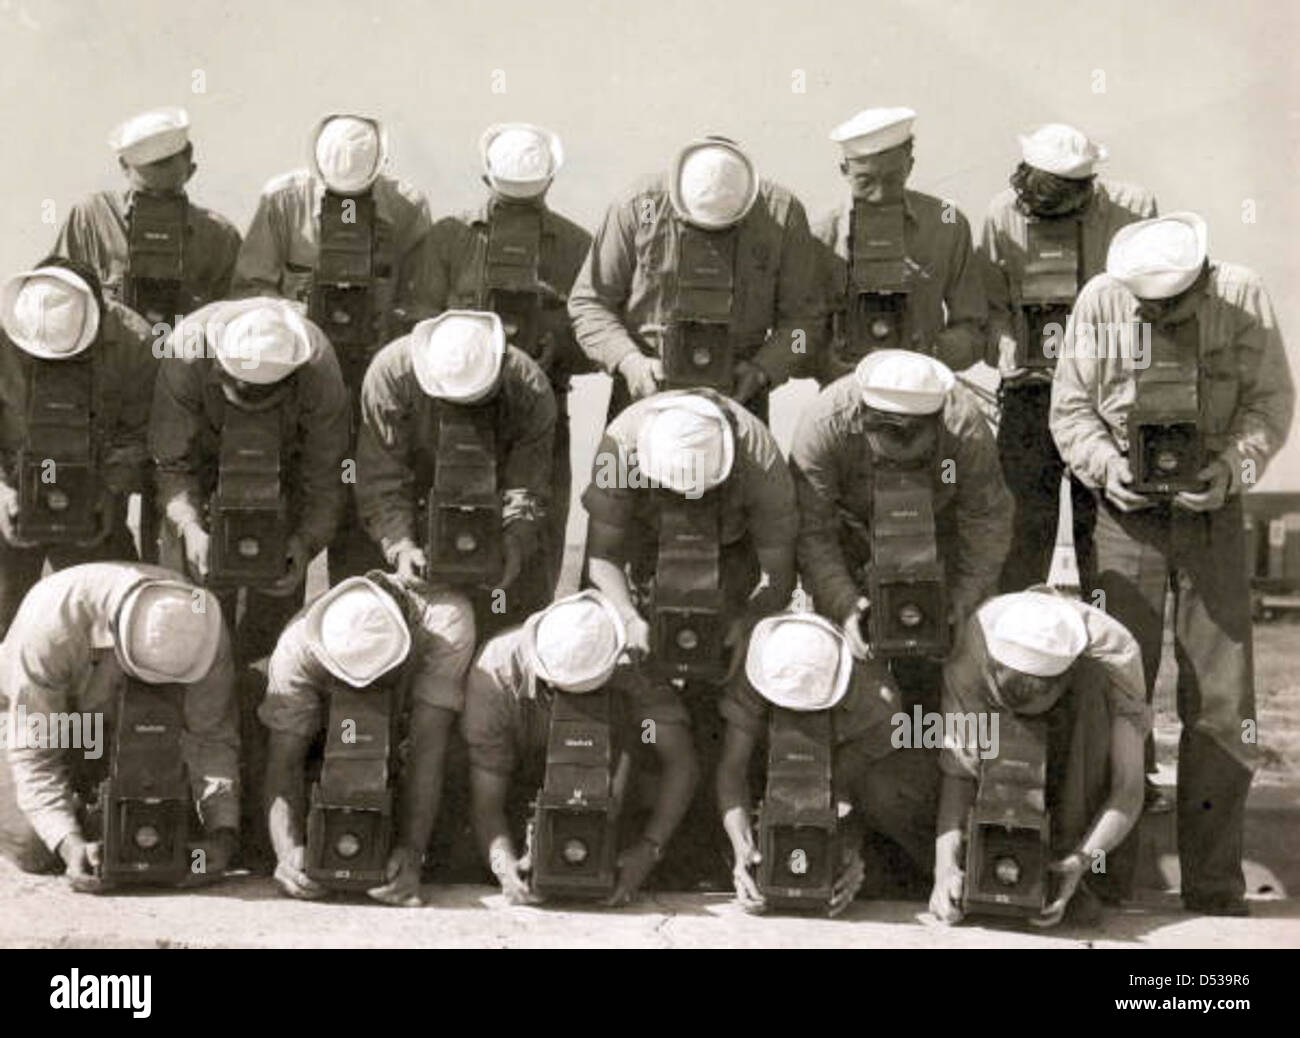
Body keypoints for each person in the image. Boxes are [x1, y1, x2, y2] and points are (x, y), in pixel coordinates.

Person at [1050, 211, 1294, 915]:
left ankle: (1215, 888)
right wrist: (1104, 467)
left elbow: (1271, 403)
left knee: (1221, 702)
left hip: (1211, 515)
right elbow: (1070, 410)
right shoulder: (1099, 301)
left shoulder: (1244, 298)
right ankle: (1102, 882)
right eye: (1146, 304)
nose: (1156, 312)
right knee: (1114, 693)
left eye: (1171, 303)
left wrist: (1228, 467)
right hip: (1122, 518)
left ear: (1203, 280)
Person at [232, 115, 437, 581]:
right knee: (283, 511)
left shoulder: (408, 208)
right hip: (290, 382)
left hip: (372, 387)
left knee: (362, 516)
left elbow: (421, 305)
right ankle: (270, 640)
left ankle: (357, 628)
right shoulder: (282, 201)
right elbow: (247, 293)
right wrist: (301, 318)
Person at [413, 123, 592, 592]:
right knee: (449, 533)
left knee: (535, 540)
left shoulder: (577, 248)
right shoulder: (448, 239)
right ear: (484, 178)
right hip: (452, 415)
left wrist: (561, 344)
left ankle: (517, 649)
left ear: (550, 184)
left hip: (540, 412)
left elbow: (597, 330)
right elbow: (416, 319)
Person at [980, 123, 1157, 596]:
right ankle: (1018, 632)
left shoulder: (1135, 211)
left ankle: (1103, 634)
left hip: (1106, 395)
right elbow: (992, 308)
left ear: (1087, 191)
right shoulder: (1000, 215)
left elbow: (1154, 305)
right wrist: (1006, 351)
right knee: (1023, 522)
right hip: (1029, 393)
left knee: (1104, 519)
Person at [0, 563, 238, 891]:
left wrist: (220, 837)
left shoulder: (199, 625)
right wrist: (70, 846)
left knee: (169, 838)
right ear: (116, 639)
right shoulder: (52, 623)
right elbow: (34, 754)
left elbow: (211, 738)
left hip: (131, 731)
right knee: (34, 845)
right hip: (38, 718)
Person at [790, 349, 1012, 699]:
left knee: (934, 654)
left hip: (937, 537)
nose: (899, 470)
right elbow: (813, 532)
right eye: (886, 459)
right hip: (853, 537)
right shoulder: (823, 428)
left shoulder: (967, 429)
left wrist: (963, 598)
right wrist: (844, 605)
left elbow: (985, 520)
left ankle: (922, 733)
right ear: (864, 421)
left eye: (916, 460)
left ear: (938, 425)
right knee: (855, 668)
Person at [929, 589, 1147, 927]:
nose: (1018, 715)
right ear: (992, 667)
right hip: (987, 701)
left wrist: (1082, 860)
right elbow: (958, 770)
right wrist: (944, 870)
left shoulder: (1115, 655)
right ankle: (985, 857)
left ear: (1060, 684)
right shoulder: (972, 649)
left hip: (1078, 717)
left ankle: (1061, 866)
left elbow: (1128, 789)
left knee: (1094, 688)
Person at [463, 590, 695, 906]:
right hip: (522, 782)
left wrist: (648, 849)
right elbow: (487, 794)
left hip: (616, 791)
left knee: (647, 739)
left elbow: (680, 764)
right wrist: (502, 861)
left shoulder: (635, 668)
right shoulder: (497, 669)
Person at [149, 296, 350, 663]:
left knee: (274, 597)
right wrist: (190, 528)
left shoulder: (319, 367)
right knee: (192, 609)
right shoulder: (185, 353)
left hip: (282, 474)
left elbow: (325, 475)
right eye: (243, 391)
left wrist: (304, 544)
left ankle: (258, 688)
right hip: (205, 462)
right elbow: (172, 464)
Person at [568, 135, 824, 421]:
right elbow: (588, 304)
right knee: (620, 467)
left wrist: (765, 370)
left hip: (741, 394)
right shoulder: (642, 208)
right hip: (643, 387)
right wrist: (629, 362)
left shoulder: (782, 215)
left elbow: (804, 325)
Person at [260, 572, 476, 905]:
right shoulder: (297, 646)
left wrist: (412, 851)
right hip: (328, 733)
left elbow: (426, 751)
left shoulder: (447, 622)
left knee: (459, 752)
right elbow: (284, 761)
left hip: (403, 729)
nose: (364, 688)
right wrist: (287, 853)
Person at [719, 611, 938, 915]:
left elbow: (848, 790)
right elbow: (733, 769)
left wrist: (846, 853)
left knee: (886, 792)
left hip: (846, 771)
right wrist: (743, 847)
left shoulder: (878, 702)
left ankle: (926, 873)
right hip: (770, 765)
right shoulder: (763, 664)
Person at [356, 309, 556, 635]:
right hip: (416, 491)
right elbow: (380, 476)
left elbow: (528, 484)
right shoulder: (390, 375)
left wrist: (514, 543)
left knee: (507, 623)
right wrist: (401, 546)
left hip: (496, 498)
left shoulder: (531, 389)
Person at [0, 259, 153, 636]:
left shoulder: (137, 343)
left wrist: (108, 491)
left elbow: (143, 433)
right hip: (13, 492)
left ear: (98, 316)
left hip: (95, 494)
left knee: (111, 615)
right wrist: (1, 494)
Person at [813, 107, 985, 382]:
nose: (880, 194)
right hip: (844, 392)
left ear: (910, 165)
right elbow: (797, 333)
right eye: (865, 181)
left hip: (926, 388)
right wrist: (825, 361)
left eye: (892, 179)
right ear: (845, 171)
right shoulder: (820, 234)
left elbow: (975, 328)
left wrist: (934, 352)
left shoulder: (947, 225)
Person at [54, 106, 241, 326]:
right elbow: (55, 299)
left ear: (190, 170)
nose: (157, 206)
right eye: (146, 194)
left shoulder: (219, 238)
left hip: (184, 356)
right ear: (124, 167)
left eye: (168, 195)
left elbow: (239, 322)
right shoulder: (92, 219)